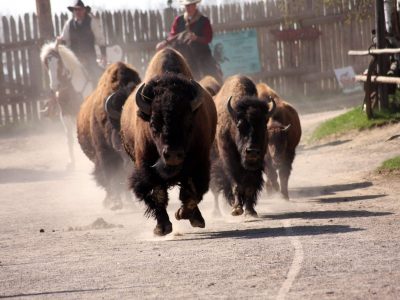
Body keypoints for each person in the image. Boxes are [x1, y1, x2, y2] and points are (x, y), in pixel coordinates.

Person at [157, 0, 222, 82]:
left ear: (195, 5)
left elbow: (208, 38)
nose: (188, 7)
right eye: (186, 5)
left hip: (202, 57)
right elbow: (173, 35)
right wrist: (165, 42)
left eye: (190, 5)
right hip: (184, 57)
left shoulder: (204, 20)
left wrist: (197, 38)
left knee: (210, 80)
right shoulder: (179, 20)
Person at [58, 0, 106, 84]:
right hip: (74, 60)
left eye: (80, 9)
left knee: (97, 77)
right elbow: (64, 40)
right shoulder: (69, 24)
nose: (77, 12)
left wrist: (103, 55)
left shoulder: (91, 22)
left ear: (84, 10)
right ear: (73, 11)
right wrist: (60, 42)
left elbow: (100, 39)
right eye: (76, 10)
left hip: (90, 58)